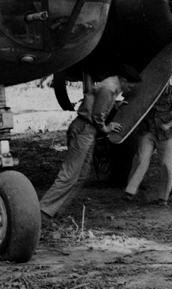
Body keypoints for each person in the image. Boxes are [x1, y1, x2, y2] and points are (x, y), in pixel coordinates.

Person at [40, 65, 141, 220]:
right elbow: (97, 115)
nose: (130, 89)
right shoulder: (109, 88)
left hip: (87, 131)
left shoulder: (110, 85)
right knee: (69, 176)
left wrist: (115, 105)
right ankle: (42, 212)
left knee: (81, 176)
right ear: (124, 80)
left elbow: (98, 102)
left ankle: (56, 211)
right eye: (131, 86)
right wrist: (106, 128)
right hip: (85, 130)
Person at [125, 80, 172, 205]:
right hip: (147, 131)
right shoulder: (147, 89)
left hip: (165, 134)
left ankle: (163, 198)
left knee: (167, 165)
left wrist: (168, 125)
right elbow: (132, 103)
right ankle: (130, 191)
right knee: (141, 159)